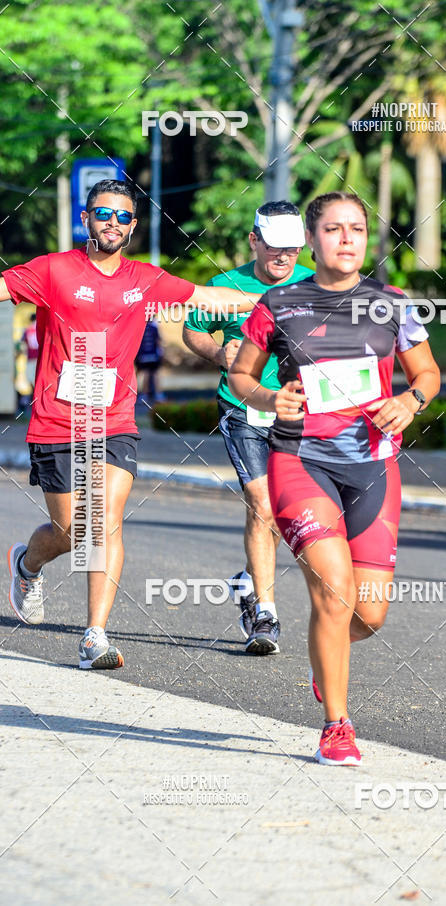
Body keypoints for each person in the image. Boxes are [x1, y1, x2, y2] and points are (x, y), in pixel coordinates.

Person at [1, 179, 260, 670]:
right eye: (104, 214)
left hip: (115, 419)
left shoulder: (144, 278)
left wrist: (272, 299)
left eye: (123, 217)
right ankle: (27, 564)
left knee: (105, 521)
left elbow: (208, 297)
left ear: (134, 226)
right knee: (71, 531)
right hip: (58, 421)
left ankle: (93, 636)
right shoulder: (53, 270)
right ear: (87, 219)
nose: (113, 223)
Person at [229, 191, 441, 765]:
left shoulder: (392, 303)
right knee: (334, 593)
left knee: (368, 614)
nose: (346, 239)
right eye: (332, 229)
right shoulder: (280, 302)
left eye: (356, 229)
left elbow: (426, 370)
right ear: (312, 240)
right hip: (301, 460)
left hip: (373, 464)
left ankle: (327, 660)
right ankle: (337, 726)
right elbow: (242, 374)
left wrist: (411, 399)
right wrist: (272, 396)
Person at [183, 201, 312, 654]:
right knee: (262, 504)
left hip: (301, 411)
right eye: (275, 247)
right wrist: (220, 355)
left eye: (293, 249)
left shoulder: (317, 285)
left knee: (290, 510)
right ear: (254, 240)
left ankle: (248, 581)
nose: (284, 257)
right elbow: (194, 330)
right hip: (242, 407)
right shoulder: (224, 286)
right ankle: (266, 614)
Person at [136, 317, 165, 403]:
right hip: (153, 354)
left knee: (146, 374)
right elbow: (158, 341)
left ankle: (145, 394)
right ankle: (158, 394)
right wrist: (161, 353)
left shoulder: (140, 328)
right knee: (155, 374)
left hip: (144, 355)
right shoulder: (154, 328)